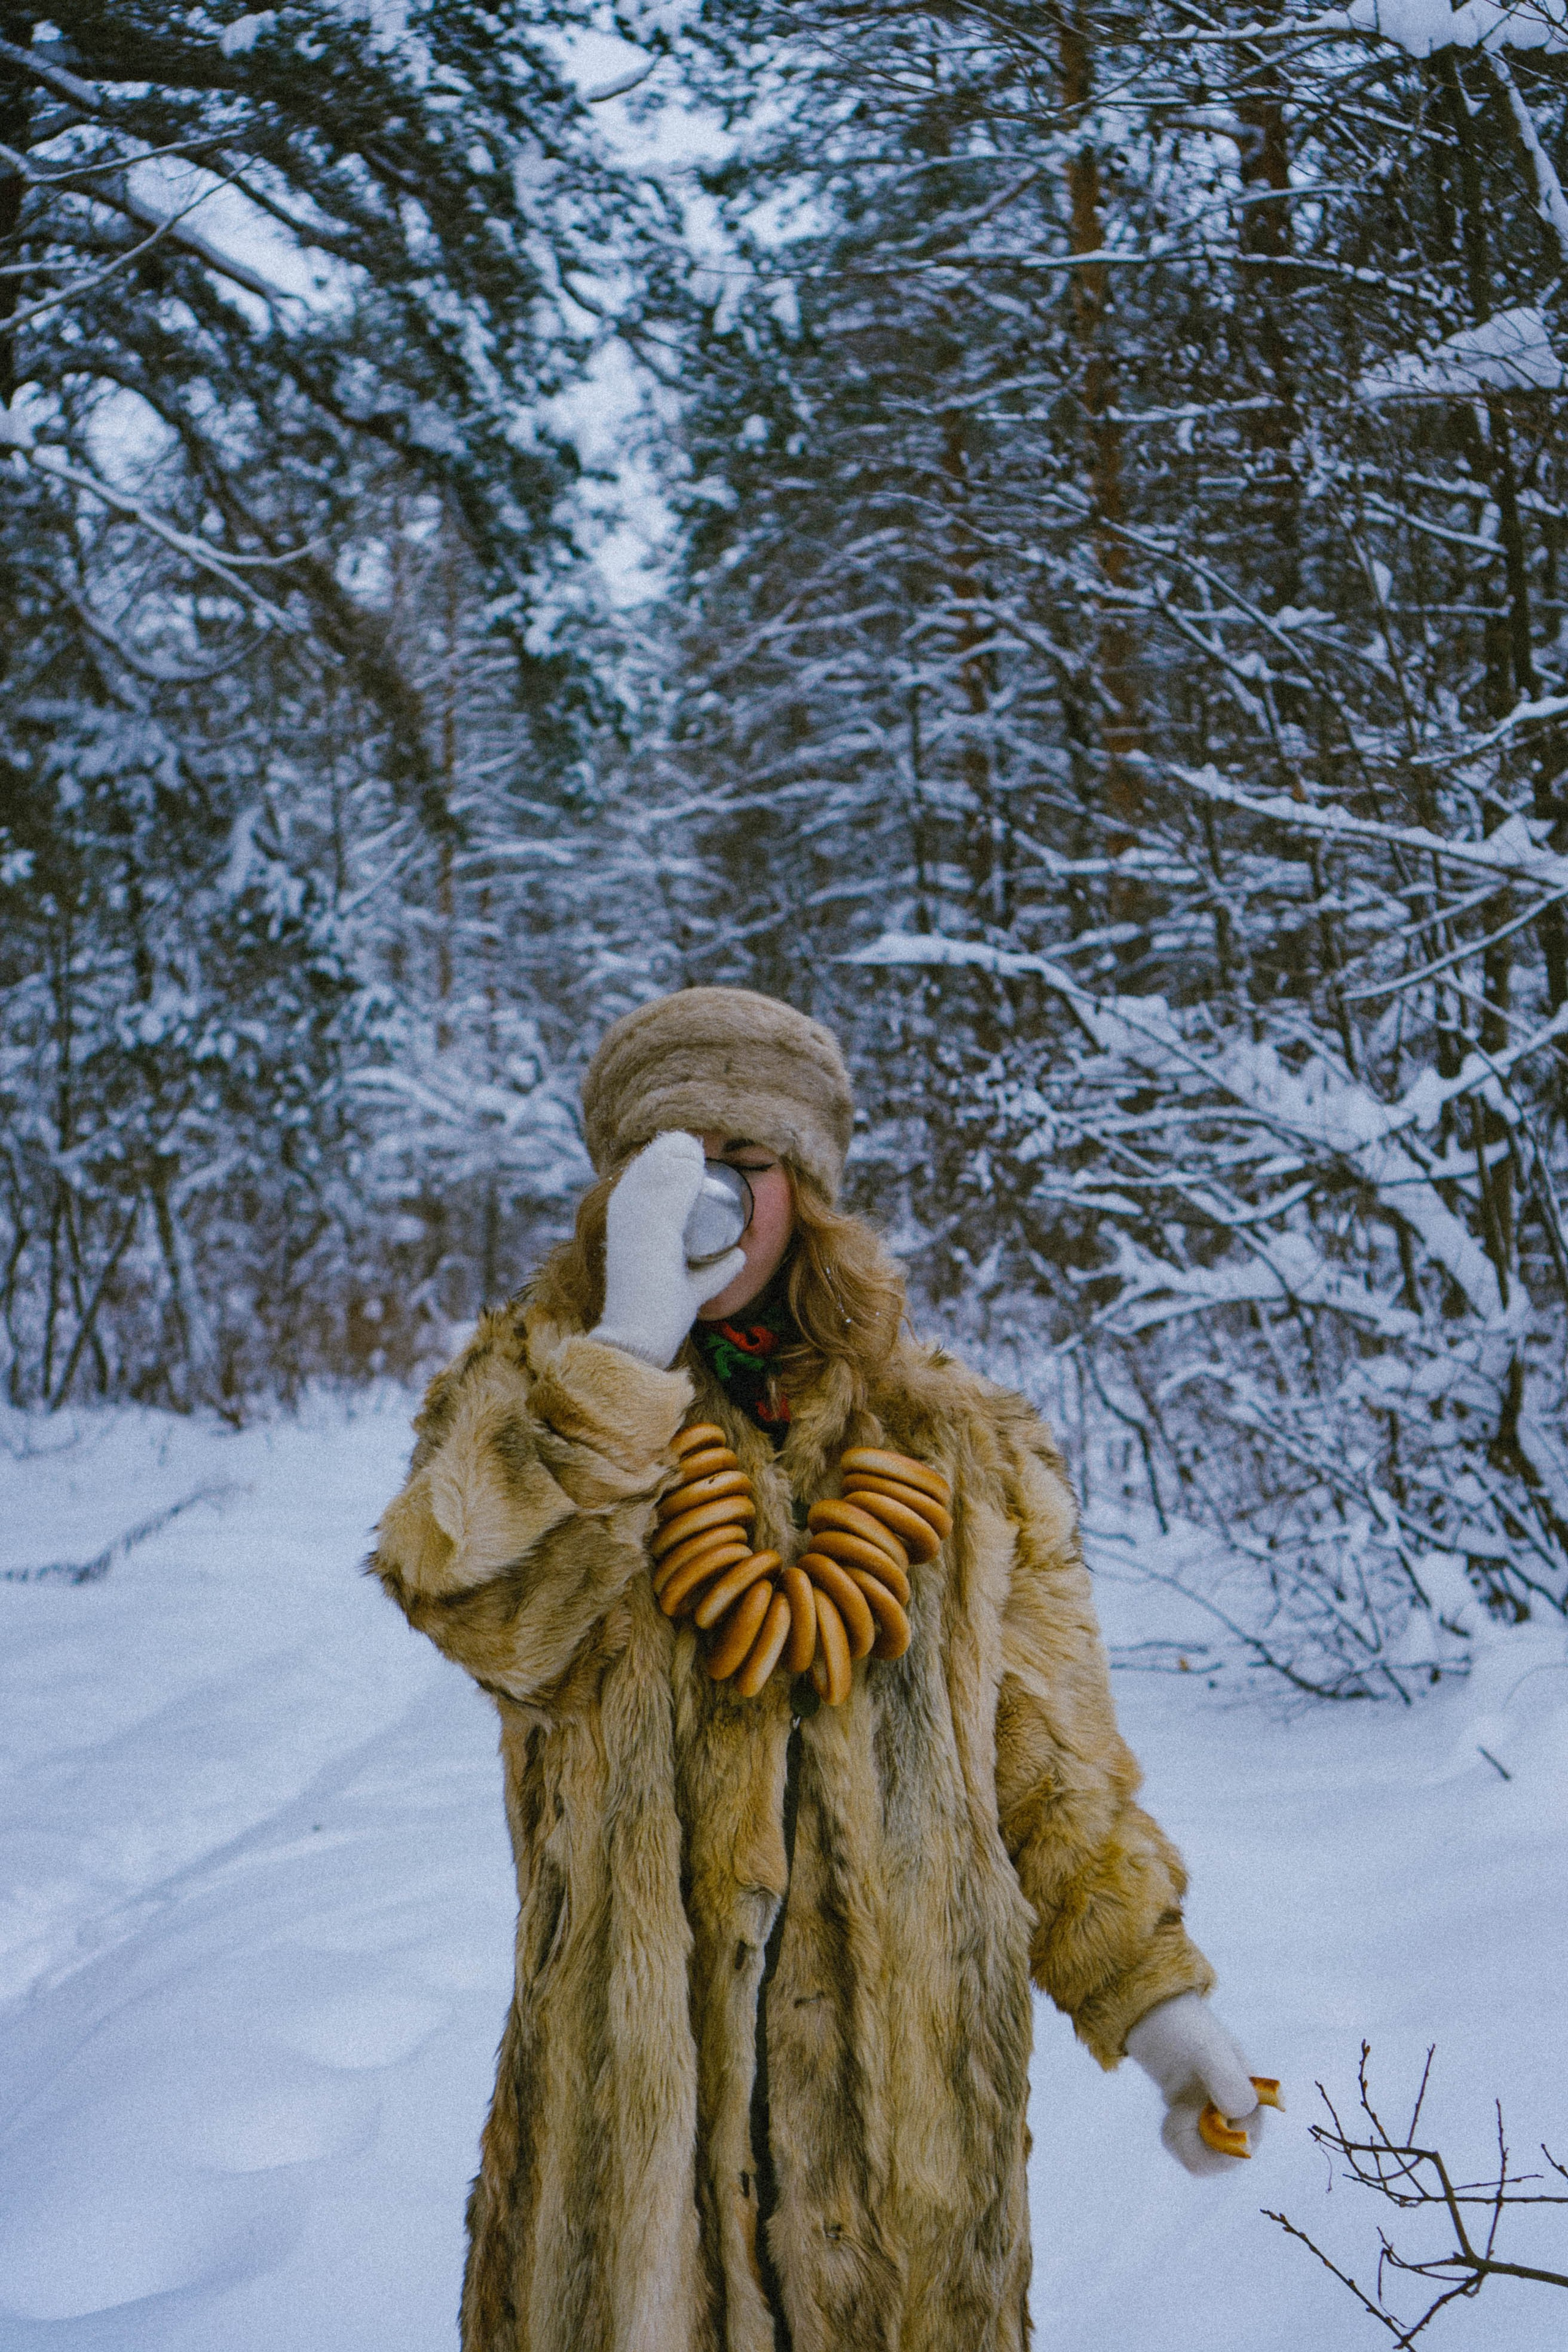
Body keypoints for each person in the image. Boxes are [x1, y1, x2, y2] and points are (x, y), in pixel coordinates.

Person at [372, 986, 1269, 2352]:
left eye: (743, 1165)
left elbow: (1043, 1766)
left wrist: (1155, 1999)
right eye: (666, 1168)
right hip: (631, 2165)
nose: (708, 1203)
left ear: (807, 1186)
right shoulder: (534, 1404)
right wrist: (622, 1363)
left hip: (905, 2161)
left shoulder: (958, 1443)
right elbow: (478, 1603)